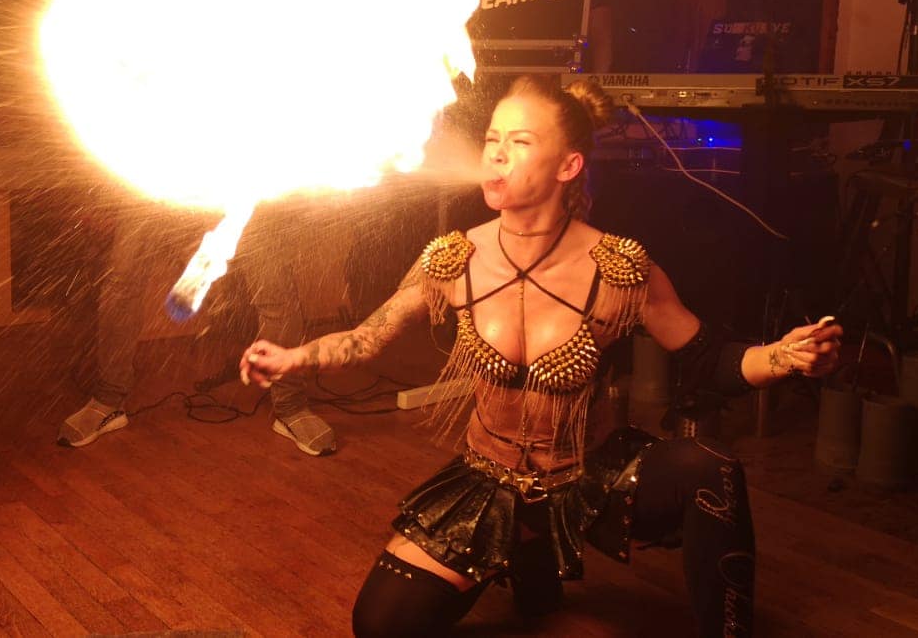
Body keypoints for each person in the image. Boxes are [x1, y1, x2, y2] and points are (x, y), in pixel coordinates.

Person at [241, 76, 842, 636]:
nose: (496, 155)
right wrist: (293, 358)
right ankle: (527, 557)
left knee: (711, 469)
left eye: (520, 142)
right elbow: (367, 337)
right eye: (491, 140)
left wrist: (783, 357)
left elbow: (709, 359)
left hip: (589, 480)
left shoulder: (619, 269)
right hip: (488, 482)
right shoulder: (452, 260)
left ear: (568, 166)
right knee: (381, 623)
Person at [60, 203, 338, 457]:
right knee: (122, 284)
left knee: (276, 289)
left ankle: (291, 405)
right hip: (156, 186)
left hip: (241, 182)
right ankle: (108, 400)